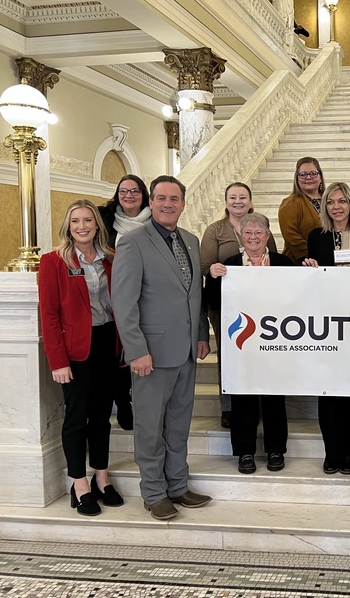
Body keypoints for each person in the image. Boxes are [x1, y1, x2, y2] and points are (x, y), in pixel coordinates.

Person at [111, 175, 212, 521]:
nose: (168, 204)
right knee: (151, 427)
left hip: (186, 351)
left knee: (179, 424)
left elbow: (195, 294)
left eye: (174, 199)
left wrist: (201, 334)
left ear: (183, 204)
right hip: (150, 354)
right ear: (151, 202)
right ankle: (154, 493)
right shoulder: (132, 242)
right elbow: (124, 302)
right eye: (161, 198)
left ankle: (178, 485)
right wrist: (136, 350)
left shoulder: (191, 240)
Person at [39, 200, 123, 516]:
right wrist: (57, 361)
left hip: (107, 343)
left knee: (102, 416)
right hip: (75, 350)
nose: (82, 226)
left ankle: (101, 476)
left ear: (97, 225)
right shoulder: (53, 262)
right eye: (76, 221)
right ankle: (79, 483)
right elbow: (49, 316)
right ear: (68, 226)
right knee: (76, 417)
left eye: (88, 220)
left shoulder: (111, 259)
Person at [205, 212, 292, 475]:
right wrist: (212, 277)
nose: (253, 237)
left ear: (267, 235)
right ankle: (245, 451)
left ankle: (276, 449)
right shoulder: (228, 265)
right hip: (242, 340)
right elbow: (213, 302)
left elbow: (298, 297)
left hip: (275, 338)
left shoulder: (283, 263)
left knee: (274, 396)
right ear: (240, 236)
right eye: (248, 233)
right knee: (243, 396)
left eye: (259, 232)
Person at [302, 183, 350, 475]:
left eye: (342, 201)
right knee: (329, 390)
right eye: (331, 202)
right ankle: (331, 451)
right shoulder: (316, 236)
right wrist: (309, 268)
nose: (336, 207)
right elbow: (313, 279)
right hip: (327, 323)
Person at [201, 182, 277, 428]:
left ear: (250, 201)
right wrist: (213, 269)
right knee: (229, 355)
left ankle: (259, 401)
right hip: (225, 305)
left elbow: (274, 261)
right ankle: (229, 406)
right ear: (225, 202)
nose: (237, 201)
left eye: (242, 197)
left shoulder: (261, 225)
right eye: (232, 197)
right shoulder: (215, 230)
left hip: (260, 305)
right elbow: (205, 265)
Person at [99, 174, 151, 430]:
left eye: (134, 191)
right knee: (118, 349)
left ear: (143, 194)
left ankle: (140, 402)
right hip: (112, 290)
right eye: (123, 191)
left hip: (148, 294)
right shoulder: (105, 219)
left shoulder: (155, 219)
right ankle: (122, 401)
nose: (129, 195)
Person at [278, 157, 326, 264]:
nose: (308, 177)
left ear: (320, 177)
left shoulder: (330, 201)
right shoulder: (289, 204)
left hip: (330, 261)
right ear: (297, 179)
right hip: (301, 263)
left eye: (313, 173)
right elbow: (291, 237)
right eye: (303, 174)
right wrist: (316, 255)